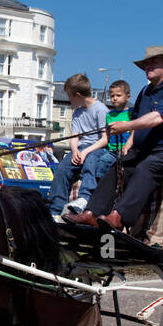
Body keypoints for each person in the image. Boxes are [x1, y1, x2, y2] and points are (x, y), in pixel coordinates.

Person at [66, 45, 163, 231]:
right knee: (118, 166)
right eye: (146, 64)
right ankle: (91, 213)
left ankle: (119, 216)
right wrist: (130, 143)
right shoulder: (145, 92)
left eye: (153, 63)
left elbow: (156, 118)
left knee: (145, 168)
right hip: (145, 150)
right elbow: (137, 120)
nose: (148, 66)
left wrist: (126, 126)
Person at [47, 73, 112, 218]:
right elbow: (75, 136)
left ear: (77, 95)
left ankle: (84, 198)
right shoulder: (77, 112)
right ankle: (55, 210)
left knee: (91, 162)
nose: (69, 101)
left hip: (97, 148)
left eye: (70, 97)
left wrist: (85, 152)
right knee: (62, 169)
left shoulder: (100, 109)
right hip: (80, 149)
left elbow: (104, 139)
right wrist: (75, 150)